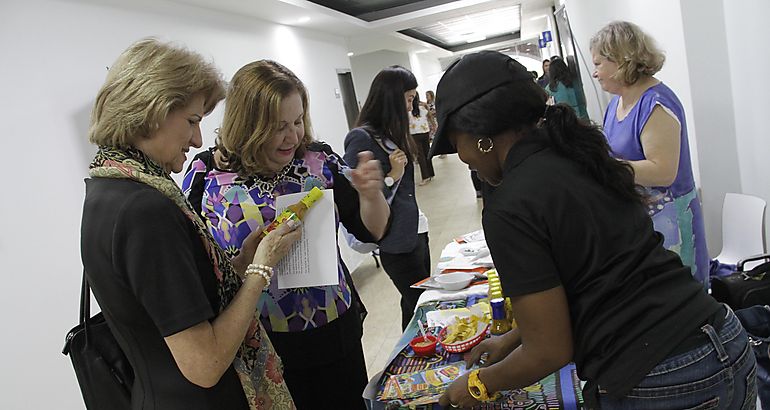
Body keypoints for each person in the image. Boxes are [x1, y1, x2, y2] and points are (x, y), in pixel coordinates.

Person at [428, 51, 755, 409]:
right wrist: (511, 341)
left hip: (662, 377)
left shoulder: (509, 206)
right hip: (726, 338)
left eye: (456, 142)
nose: (463, 159)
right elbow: (594, 275)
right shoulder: (579, 154)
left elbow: (549, 351)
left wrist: (476, 384)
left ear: (480, 136)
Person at [81, 39, 301, 409]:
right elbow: (205, 363)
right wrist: (263, 268)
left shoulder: (108, 187)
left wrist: (241, 264)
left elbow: (173, 301)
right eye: (192, 121)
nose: (198, 138)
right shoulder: (146, 210)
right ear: (152, 109)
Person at [182, 59, 389, 410]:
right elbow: (199, 270)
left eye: (297, 121)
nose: (293, 136)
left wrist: (372, 195)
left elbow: (373, 230)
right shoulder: (205, 176)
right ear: (249, 125)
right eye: (278, 127)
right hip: (258, 343)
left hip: (333, 332)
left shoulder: (318, 160)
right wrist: (243, 261)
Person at [591, 21, 709, 289]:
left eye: (598, 64)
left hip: (671, 222)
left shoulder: (655, 103)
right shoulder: (616, 105)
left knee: (679, 297)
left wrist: (605, 166)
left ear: (620, 59)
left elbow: (663, 171)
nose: (595, 73)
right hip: (641, 219)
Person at [343, 65, 431, 330]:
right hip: (394, 240)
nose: (410, 106)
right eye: (407, 99)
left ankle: (412, 356)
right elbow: (357, 195)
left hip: (415, 230)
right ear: (392, 98)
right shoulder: (361, 137)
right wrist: (392, 174)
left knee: (414, 303)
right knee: (419, 302)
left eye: (413, 99)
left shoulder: (391, 132)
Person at [409, 91, 435, 185]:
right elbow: (430, 117)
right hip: (425, 131)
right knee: (427, 153)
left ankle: (425, 176)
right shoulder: (423, 105)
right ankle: (430, 173)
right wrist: (434, 125)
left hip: (415, 134)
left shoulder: (408, 107)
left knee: (420, 156)